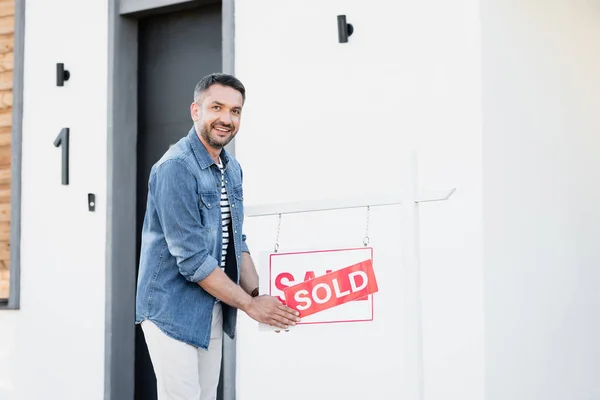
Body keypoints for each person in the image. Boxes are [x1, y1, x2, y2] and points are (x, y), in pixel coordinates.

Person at [135, 73, 300, 400]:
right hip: (170, 309)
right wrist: (252, 306)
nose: (227, 118)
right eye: (217, 107)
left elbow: (237, 240)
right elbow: (193, 261)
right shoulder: (175, 167)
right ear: (196, 111)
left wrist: (261, 295)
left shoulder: (232, 168)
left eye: (235, 111)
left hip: (212, 305)